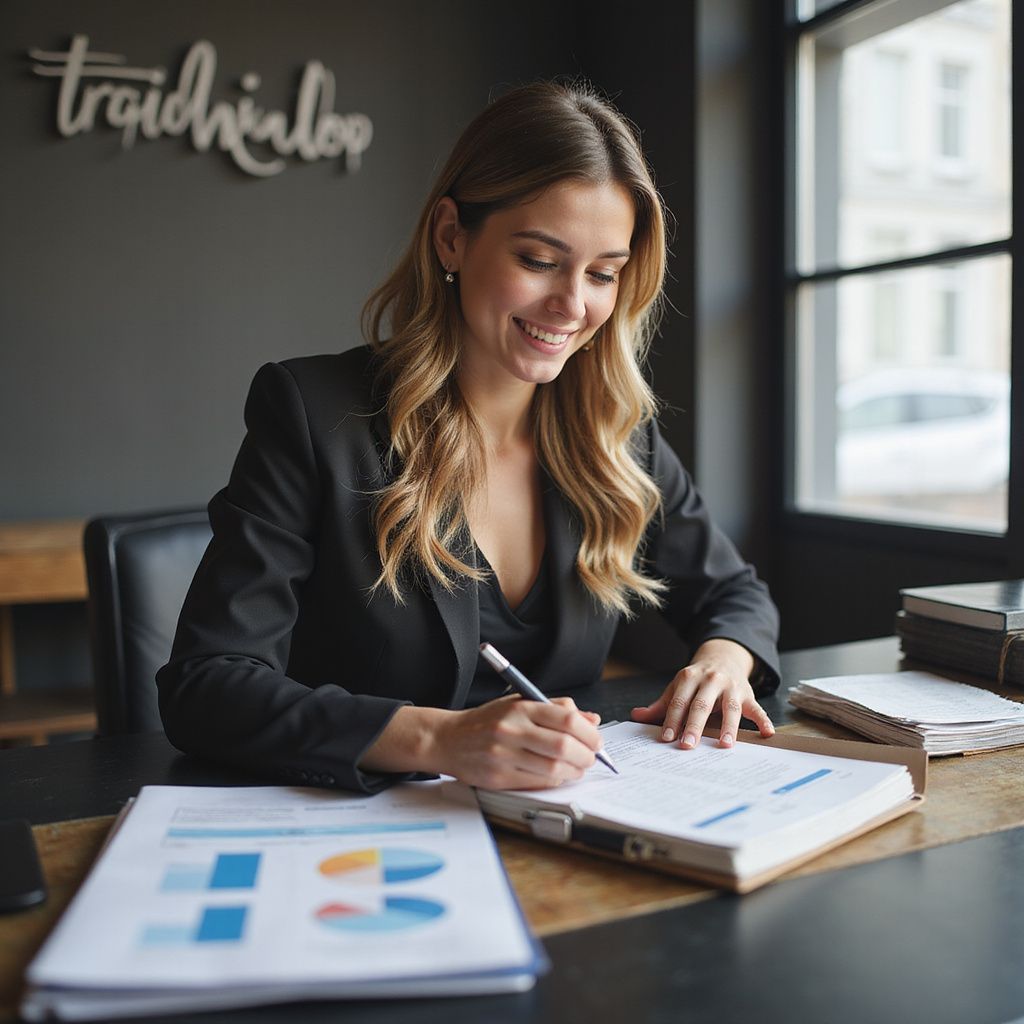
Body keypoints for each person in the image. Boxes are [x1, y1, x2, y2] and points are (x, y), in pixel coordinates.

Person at [157, 81, 780, 795]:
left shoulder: (616, 438)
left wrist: (725, 660)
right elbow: (206, 687)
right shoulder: (314, 413)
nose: (573, 306)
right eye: (539, 261)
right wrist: (441, 737)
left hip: (564, 837)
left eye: (603, 273)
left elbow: (735, 594)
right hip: (364, 845)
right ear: (452, 235)